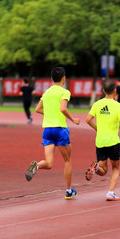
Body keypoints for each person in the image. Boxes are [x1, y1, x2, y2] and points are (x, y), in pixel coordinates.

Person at [25, 67, 81, 199]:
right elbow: (63, 108)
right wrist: (73, 119)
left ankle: (36, 166)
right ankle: (68, 191)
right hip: (60, 129)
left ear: (51, 79)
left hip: (47, 130)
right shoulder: (65, 92)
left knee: (49, 163)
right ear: (64, 78)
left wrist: (50, 114)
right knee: (67, 161)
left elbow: (37, 109)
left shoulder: (47, 92)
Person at [85, 79, 120, 201]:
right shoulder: (118, 105)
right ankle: (110, 193)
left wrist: (97, 128)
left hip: (100, 141)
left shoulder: (97, 104)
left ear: (103, 91)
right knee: (115, 168)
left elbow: (88, 119)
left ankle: (96, 168)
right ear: (115, 91)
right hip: (113, 141)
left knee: (103, 170)